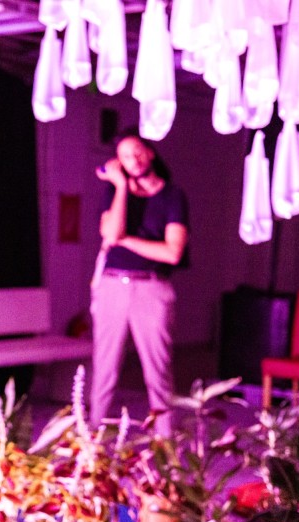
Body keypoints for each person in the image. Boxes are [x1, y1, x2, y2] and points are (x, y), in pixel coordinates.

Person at [89, 130, 189, 436]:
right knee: (105, 367)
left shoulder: (172, 196)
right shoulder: (115, 191)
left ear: (150, 152)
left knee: (158, 370)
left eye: (137, 152)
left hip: (152, 287)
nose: (133, 160)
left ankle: (165, 441)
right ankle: (91, 438)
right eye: (125, 156)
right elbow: (110, 233)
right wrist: (120, 186)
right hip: (112, 285)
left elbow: (172, 252)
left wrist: (125, 240)